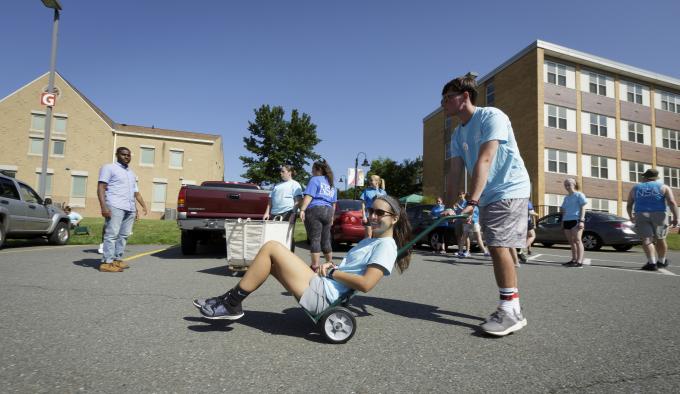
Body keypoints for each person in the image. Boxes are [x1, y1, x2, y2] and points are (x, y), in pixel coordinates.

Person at [194, 195, 412, 322]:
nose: (373, 216)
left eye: (380, 213)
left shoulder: (386, 246)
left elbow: (366, 285)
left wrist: (334, 272)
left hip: (325, 296)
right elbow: (355, 270)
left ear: (394, 218)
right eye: (372, 211)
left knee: (272, 248)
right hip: (325, 285)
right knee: (270, 257)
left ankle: (230, 303)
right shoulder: (371, 240)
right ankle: (228, 301)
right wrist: (332, 266)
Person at [441, 74, 531, 336]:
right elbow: (455, 172)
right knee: (495, 245)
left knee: (498, 244)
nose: (444, 104)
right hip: (489, 193)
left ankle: (510, 311)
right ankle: (510, 304)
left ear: (465, 97)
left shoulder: (492, 116)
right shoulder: (458, 134)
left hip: (510, 186)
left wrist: (471, 201)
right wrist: (449, 206)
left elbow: (485, 159)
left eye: (448, 98)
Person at [97, 147, 148, 273]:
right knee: (112, 234)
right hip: (115, 206)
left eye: (129, 155)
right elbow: (101, 188)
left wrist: (139, 207)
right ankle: (106, 262)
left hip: (129, 208)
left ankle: (117, 259)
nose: (126, 157)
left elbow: (134, 193)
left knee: (124, 235)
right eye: (124, 154)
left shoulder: (131, 173)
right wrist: (103, 206)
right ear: (117, 155)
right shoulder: (108, 168)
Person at [626, 169, 679, 271]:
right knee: (661, 238)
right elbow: (672, 202)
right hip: (659, 214)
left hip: (641, 214)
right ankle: (661, 262)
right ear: (656, 178)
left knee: (646, 239)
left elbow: (629, 205)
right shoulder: (664, 187)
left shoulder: (635, 188)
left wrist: (630, 216)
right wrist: (676, 217)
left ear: (644, 177)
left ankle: (651, 263)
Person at [299, 161, 337, 272]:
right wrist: (332, 217)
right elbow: (334, 203)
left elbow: (309, 196)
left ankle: (315, 266)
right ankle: (329, 264)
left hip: (315, 209)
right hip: (328, 211)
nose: (311, 172)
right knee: (326, 240)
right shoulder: (331, 185)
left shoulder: (315, 180)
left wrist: (302, 209)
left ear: (318, 170)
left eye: (313, 169)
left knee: (315, 239)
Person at [560, 178, 587, 268]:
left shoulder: (579, 195)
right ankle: (574, 259)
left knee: (578, 240)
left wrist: (582, 220)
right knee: (571, 242)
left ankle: (579, 261)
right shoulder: (566, 197)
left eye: (569, 184)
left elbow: (583, 207)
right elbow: (563, 210)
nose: (567, 186)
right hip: (567, 220)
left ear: (574, 184)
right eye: (565, 185)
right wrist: (563, 221)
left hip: (576, 220)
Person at [462, 193, 490, 257]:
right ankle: (466, 251)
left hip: (475, 222)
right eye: (469, 198)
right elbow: (463, 212)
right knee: (466, 237)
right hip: (467, 222)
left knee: (478, 237)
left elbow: (479, 214)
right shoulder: (466, 204)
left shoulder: (476, 204)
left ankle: (485, 251)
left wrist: (479, 221)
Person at [452, 192, 470, 257]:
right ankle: (460, 250)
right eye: (459, 194)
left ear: (464, 195)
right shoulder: (458, 202)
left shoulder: (466, 202)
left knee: (466, 236)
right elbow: (457, 212)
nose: (460, 195)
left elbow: (466, 210)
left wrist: (458, 206)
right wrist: (454, 208)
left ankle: (467, 251)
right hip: (458, 221)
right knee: (458, 236)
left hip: (465, 221)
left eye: (461, 194)